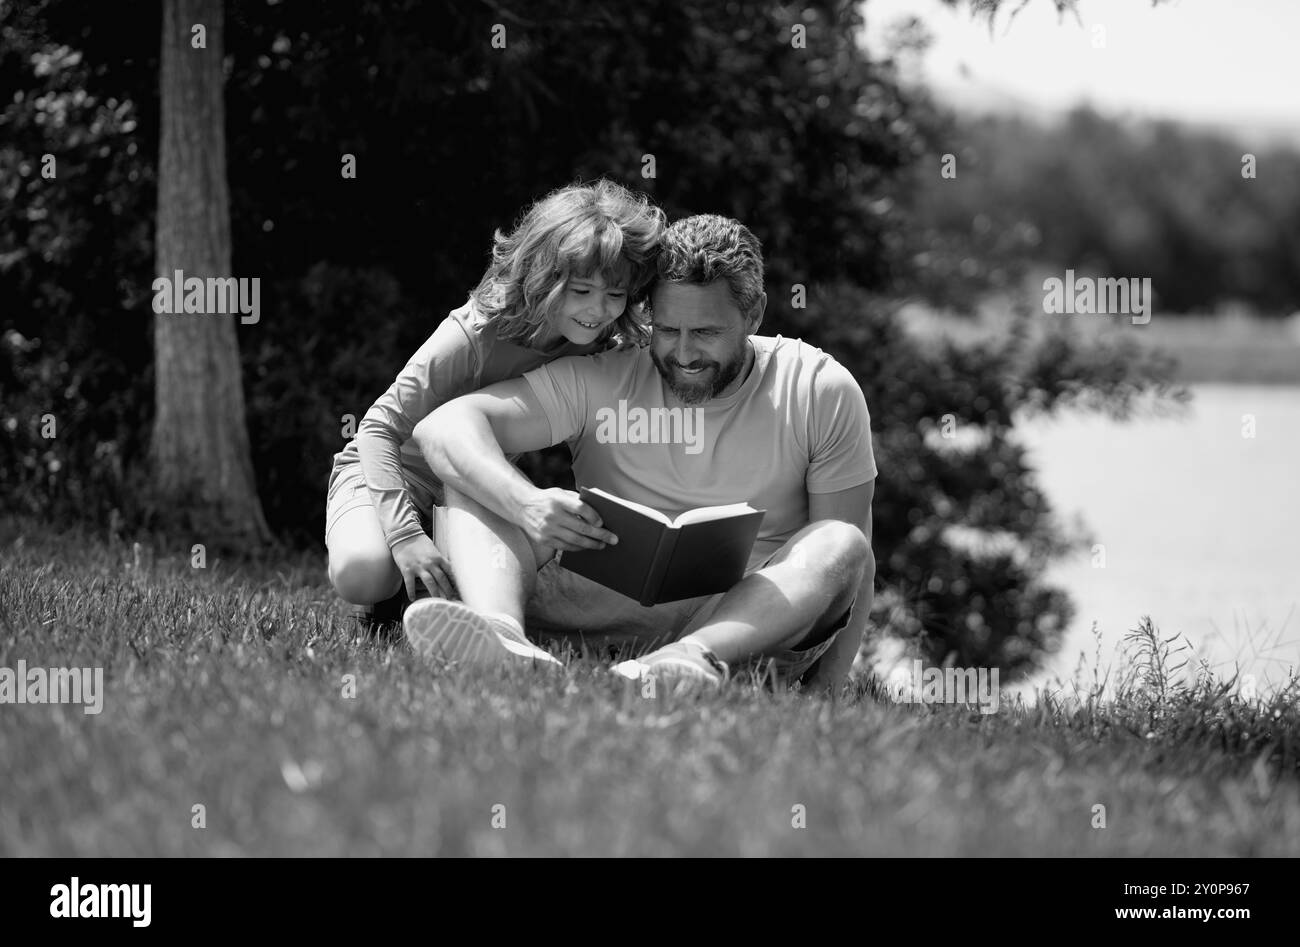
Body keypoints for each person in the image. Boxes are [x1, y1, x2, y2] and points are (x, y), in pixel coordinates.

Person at [406, 214, 877, 694]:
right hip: (590, 603)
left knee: (841, 540)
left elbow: (850, 569)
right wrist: (525, 502)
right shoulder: (608, 373)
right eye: (668, 329)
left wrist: (828, 693)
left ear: (754, 314)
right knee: (476, 473)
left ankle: (684, 660)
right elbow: (444, 427)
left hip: (747, 626)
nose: (685, 353)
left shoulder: (819, 388)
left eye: (707, 333)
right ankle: (502, 637)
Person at [324, 180, 665, 635]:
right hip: (391, 474)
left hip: (473, 484)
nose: (598, 310)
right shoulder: (475, 334)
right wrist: (405, 536)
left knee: (550, 547)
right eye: (581, 290)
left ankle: (435, 594)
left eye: (615, 295)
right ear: (544, 276)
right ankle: (396, 589)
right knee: (363, 571)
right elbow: (376, 430)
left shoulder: (606, 343)